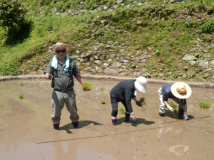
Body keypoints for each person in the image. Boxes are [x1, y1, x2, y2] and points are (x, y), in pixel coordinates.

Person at [45, 42, 84, 130]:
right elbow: (47, 72)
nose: (61, 53)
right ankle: (56, 132)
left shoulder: (71, 62)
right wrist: (47, 75)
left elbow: (77, 75)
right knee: (56, 113)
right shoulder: (52, 62)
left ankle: (76, 129)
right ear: (56, 52)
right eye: (58, 51)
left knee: (74, 112)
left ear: (66, 51)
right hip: (57, 92)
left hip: (70, 92)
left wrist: (84, 84)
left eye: (62, 51)